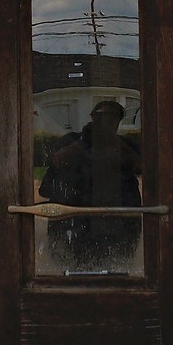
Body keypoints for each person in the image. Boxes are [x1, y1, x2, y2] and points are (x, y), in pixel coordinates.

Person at [39, 100, 142, 270]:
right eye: (100, 116)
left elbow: (141, 167)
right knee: (72, 270)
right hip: (75, 219)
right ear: (92, 118)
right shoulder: (74, 139)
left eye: (112, 118)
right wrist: (84, 142)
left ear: (118, 121)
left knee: (117, 271)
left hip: (118, 220)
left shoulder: (126, 144)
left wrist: (113, 142)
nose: (105, 122)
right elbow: (57, 161)